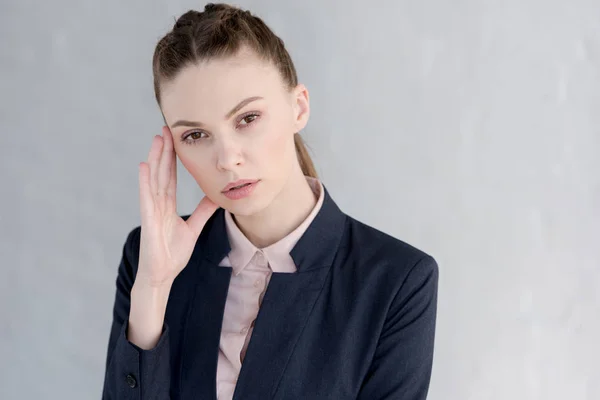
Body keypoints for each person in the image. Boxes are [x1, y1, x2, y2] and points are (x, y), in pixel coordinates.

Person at [101, 3, 439, 399]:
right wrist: (154, 288)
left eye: (247, 119)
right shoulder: (149, 258)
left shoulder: (397, 281)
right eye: (195, 135)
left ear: (298, 107)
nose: (227, 159)